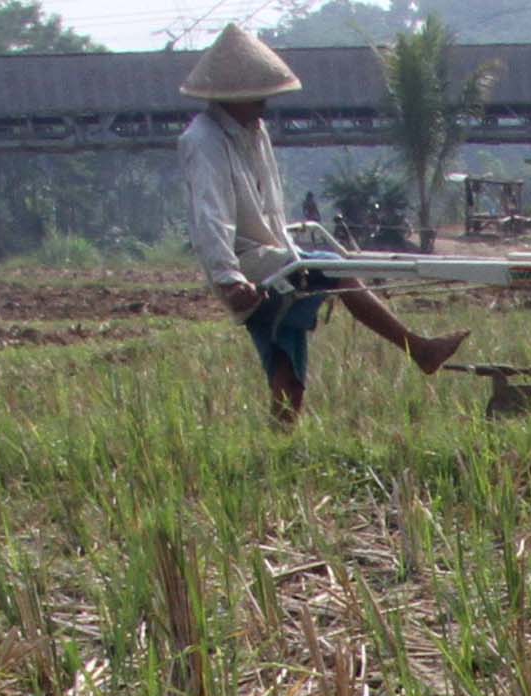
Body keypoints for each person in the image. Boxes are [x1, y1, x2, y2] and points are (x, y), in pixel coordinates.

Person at [177, 25, 465, 424]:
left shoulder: (252, 131)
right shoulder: (203, 140)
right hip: (247, 262)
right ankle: (419, 349)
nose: (264, 104)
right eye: (258, 95)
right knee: (335, 269)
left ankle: (280, 443)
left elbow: (268, 205)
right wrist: (228, 277)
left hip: (273, 254)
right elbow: (211, 215)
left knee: (285, 356)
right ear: (232, 94)